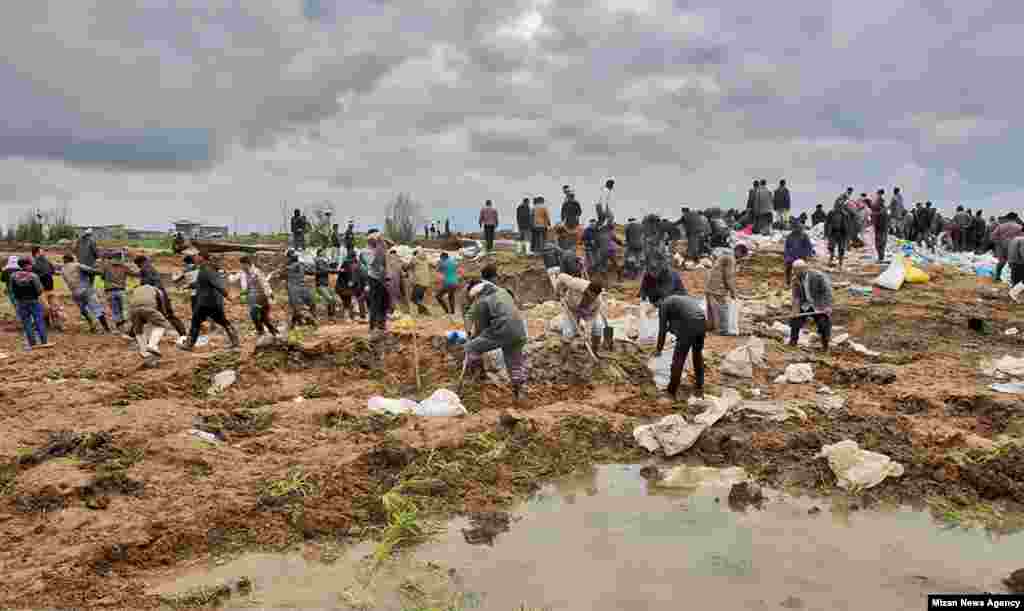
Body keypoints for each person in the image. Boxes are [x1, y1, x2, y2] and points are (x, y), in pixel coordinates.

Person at [463, 275, 529, 399]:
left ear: (476, 293)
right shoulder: (502, 291)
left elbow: (482, 327)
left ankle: (478, 377)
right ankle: (519, 392)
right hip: (519, 331)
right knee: (513, 362)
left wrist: (473, 338)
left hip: (502, 330)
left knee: (471, 347)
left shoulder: (482, 301)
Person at [654, 293, 706, 398]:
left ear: (659, 301)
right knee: (697, 354)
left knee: (678, 359)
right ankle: (699, 385)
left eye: (656, 305)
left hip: (689, 323)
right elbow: (677, 322)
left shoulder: (664, 305)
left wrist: (659, 349)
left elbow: (662, 330)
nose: (657, 308)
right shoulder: (677, 300)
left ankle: (671, 391)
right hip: (701, 322)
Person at [181, 254, 239, 350]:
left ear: (204, 259)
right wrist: (189, 286)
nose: (195, 258)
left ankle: (189, 344)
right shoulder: (205, 269)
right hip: (211, 302)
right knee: (222, 322)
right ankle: (235, 341)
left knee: (195, 322)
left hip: (207, 302)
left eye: (198, 256)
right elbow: (200, 283)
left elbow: (217, 286)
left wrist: (228, 297)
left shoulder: (208, 270)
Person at [555, 274, 610, 362]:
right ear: (587, 290)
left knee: (598, 327)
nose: (591, 299)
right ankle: (564, 357)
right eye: (590, 296)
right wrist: (558, 292)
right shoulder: (575, 283)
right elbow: (561, 277)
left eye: (593, 298)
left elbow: (591, 319)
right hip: (572, 309)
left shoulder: (598, 301)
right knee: (568, 332)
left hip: (587, 313)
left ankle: (594, 351)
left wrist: (587, 333)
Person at [134, 255, 188, 337]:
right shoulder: (150, 268)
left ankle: (183, 334)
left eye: (138, 265)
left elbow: (151, 283)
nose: (138, 267)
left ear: (140, 263)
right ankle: (182, 334)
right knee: (149, 314)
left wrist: (142, 288)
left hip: (158, 295)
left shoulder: (145, 269)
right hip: (158, 295)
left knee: (164, 315)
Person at [789, 259, 833, 352]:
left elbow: (827, 292)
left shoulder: (817, 276)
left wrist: (827, 306)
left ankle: (825, 346)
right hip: (806, 304)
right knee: (795, 321)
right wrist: (795, 311)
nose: (795, 272)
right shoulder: (795, 280)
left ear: (804, 269)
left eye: (798, 270)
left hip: (819, 304)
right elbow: (796, 297)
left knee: (823, 323)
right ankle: (792, 343)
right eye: (794, 270)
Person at [62, 254, 111, 333]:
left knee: (83, 310)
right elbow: (92, 271)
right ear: (72, 259)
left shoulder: (63, 269)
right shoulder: (77, 265)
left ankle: (92, 325)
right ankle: (106, 328)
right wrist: (101, 270)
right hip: (86, 290)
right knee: (97, 309)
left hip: (75, 293)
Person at [128, 282, 169, 365]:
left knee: (138, 330)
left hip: (133, 310)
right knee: (162, 325)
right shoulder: (157, 290)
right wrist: (163, 316)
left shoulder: (137, 289)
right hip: (148, 307)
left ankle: (145, 353)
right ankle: (152, 345)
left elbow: (131, 301)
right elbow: (162, 306)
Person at [11, 257, 48, 350]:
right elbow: (39, 290)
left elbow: (12, 290)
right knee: (39, 320)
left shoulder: (13, 276)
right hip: (33, 301)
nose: (31, 266)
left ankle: (32, 343)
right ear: (26, 265)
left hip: (21, 302)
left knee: (26, 323)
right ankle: (44, 342)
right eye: (30, 264)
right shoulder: (33, 276)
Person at [240, 256, 278, 339]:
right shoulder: (245, 273)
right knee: (259, 316)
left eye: (242, 265)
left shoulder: (256, 272)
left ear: (247, 264)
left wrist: (270, 294)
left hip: (262, 298)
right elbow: (245, 287)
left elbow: (264, 283)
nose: (241, 267)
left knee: (259, 316)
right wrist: (243, 296)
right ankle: (268, 332)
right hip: (254, 298)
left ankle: (267, 332)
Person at [704, 249, 737, 334]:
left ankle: (711, 326)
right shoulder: (730, 259)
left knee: (711, 308)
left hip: (709, 286)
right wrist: (733, 292)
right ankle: (722, 329)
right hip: (718, 288)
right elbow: (728, 277)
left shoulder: (722, 256)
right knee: (722, 307)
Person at [285, 250, 317, 330]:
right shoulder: (295, 265)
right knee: (299, 307)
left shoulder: (295, 266)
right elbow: (312, 271)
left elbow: (311, 272)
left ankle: (308, 322)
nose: (295, 256)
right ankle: (305, 323)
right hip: (298, 288)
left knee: (304, 306)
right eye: (293, 255)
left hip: (299, 288)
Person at [31, 246, 61, 331]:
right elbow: (34, 276)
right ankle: (39, 325)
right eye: (41, 251)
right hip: (41, 290)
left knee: (55, 307)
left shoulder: (47, 261)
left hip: (50, 288)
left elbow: (52, 270)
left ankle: (57, 325)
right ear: (36, 253)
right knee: (45, 308)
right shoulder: (34, 264)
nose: (43, 252)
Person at [365, 231, 389, 332]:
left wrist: (382, 241)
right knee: (375, 303)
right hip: (374, 279)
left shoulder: (380, 249)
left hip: (381, 279)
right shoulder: (368, 251)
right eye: (377, 241)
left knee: (384, 302)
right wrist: (379, 245)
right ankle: (373, 326)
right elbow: (374, 263)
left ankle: (381, 325)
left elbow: (390, 245)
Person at [991, 214, 1022, 283]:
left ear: (1008, 218)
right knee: (1013, 264)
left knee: (1001, 262)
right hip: (1014, 248)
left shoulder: (1001, 226)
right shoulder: (1019, 227)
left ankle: (997, 277)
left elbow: (993, 236)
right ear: (1015, 218)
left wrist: (999, 242)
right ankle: (1013, 280)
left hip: (1001, 247)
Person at [102, 255, 130, 331]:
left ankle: (119, 328)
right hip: (121, 290)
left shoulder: (106, 267)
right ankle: (125, 328)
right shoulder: (124, 267)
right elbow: (134, 273)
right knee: (124, 310)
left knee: (115, 311)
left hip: (110, 291)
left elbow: (102, 276)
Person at [784, 222, 815, 286]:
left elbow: (808, 246)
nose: (796, 229)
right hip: (791, 256)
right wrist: (787, 256)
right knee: (788, 267)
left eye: (797, 228)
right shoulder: (789, 236)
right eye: (794, 228)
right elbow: (786, 248)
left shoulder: (804, 236)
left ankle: (803, 283)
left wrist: (808, 254)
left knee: (802, 270)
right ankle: (788, 282)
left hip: (801, 257)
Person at [825, 199, 851, 268]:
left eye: (841, 205)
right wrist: (826, 233)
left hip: (842, 234)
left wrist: (848, 235)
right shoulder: (831, 213)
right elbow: (827, 223)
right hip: (833, 233)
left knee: (841, 249)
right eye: (838, 205)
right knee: (831, 247)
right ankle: (831, 259)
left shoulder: (845, 214)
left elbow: (848, 225)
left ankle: (840, 263)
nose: (839, 206)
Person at [314, 249, 339, 318]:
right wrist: (337, 270)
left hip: (326, 284)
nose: (324, 253)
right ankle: (331, 316)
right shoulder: (318, 260)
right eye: (323, 252)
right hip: (320, 285)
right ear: (319, 253)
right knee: (330, 299)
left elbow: (328, 268)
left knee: (333, 299)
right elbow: (324, 269)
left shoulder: (323, 261)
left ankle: (331, 316)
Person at [871, 189, 890, 262]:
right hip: (881, 226)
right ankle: (880, 257)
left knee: (880, 242)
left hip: (880, 226)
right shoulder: (881, 206)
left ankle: (881, 257)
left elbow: (876, 213)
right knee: (881, 242)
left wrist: (874, 214)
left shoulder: (880, 206)